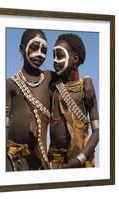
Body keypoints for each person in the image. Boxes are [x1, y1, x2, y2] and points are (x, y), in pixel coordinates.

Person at [48, 33, 99, 169]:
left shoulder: (86, 90)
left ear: (75, 59)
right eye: (53, 56)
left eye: (60, 56)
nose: (55, 61)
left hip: (80, 162)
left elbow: (97, 131)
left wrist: (79, 159)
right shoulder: (52, 87)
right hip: (54, 162)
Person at [6, 29, 53, 171]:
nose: (40, 54)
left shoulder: (49, 78)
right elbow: (4, 123)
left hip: (38, 160)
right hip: (12, 160)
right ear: (21, 49)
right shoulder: (11, 84)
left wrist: (87, 79)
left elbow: (70, 76)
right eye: (34, 47)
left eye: (44, 50)